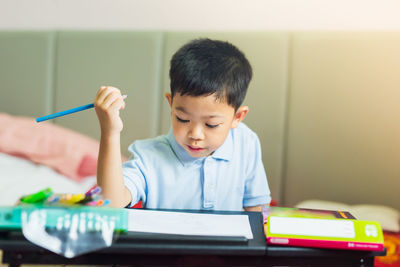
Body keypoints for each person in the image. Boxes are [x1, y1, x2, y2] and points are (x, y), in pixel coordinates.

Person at [94, 38, 271, 211]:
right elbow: (111, 204)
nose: (195, 134)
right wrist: (110, 131)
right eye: (183, 119)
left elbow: (256, 209)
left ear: (237, 117)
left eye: (211, 124)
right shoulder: (148, 156)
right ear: (171, 104)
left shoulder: (245, 142)